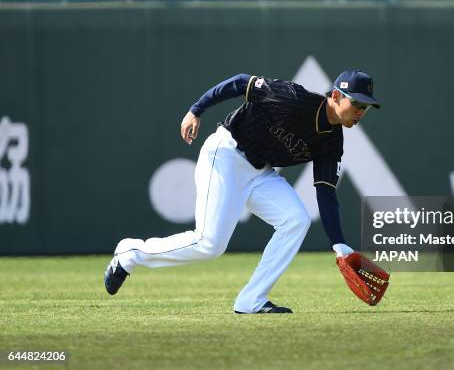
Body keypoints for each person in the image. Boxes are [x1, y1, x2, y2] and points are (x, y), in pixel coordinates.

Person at [104, 69, 381, 314]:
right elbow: (240, 83)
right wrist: (196, 110)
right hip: (225, 154)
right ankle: (130, 254)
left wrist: (339, 244)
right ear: (335, 95)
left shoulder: (332, 142)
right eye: (356, 103)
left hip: (260, 173)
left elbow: (325, 192)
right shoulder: (293, 98)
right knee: (208, 245)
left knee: (296, 220)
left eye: (365, 107)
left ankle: (251, 301)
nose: (360, 112)